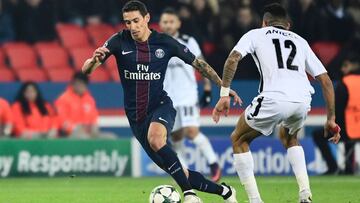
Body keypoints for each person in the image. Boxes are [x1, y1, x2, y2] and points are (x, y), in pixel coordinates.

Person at [81, 1, 240, 203]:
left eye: (136, 21)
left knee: (157, 140)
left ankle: (189, 196)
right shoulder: (118, 41)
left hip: (160, 105)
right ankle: (225, 192)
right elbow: (86, 70)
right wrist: (94, 60)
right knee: (179, 171)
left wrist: (224, 88)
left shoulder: (164, 42)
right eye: (127, 22)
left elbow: (199, 64)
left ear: (147, 18)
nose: (132, 27)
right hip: (136, 117)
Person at [212, 3, 341, 203]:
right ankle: (305, 193)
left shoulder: (256, 34)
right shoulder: (300, 41)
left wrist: (224, 94)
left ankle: (255, 200)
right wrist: (331, 119)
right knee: (290, 138)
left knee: (238, 138)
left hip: (274, 97)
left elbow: (232, 59)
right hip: (302, 99)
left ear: (264, 22)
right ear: (288, 25)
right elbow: (325, 81)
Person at [159, 8, 221, 182]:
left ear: (178, 23)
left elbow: (200, 64)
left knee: (191, 132)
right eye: (165, 22)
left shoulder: (188, 41)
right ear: (160, 24)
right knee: (175, 137)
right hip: (168, 98)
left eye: (171, 21)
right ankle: (184, 171)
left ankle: (213, 163)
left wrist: (207, 88)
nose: (168, 25)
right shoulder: (157, 42)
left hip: (187, 95)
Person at [312, 53, 360, 175]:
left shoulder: (344, 84)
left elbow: (337, 109)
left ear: (353, 66)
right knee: (350, 132)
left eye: (345, 66)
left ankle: (332, 167)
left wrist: (332, 125)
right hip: (356, 129)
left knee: (318, 135)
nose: (342, 69)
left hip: (348, 130)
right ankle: (349, 169)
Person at [55, 72, 99, 138]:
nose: (80, 86)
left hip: (88, 132)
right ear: (73, 83)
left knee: (110, 137)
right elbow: (62, 120)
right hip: (68, 133)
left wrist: (93, 127)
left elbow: (93, 117)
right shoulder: (63, 99)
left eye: (82, 84)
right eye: (77, 83)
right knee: (84, 137)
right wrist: (75, 127)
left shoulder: (89, 99)